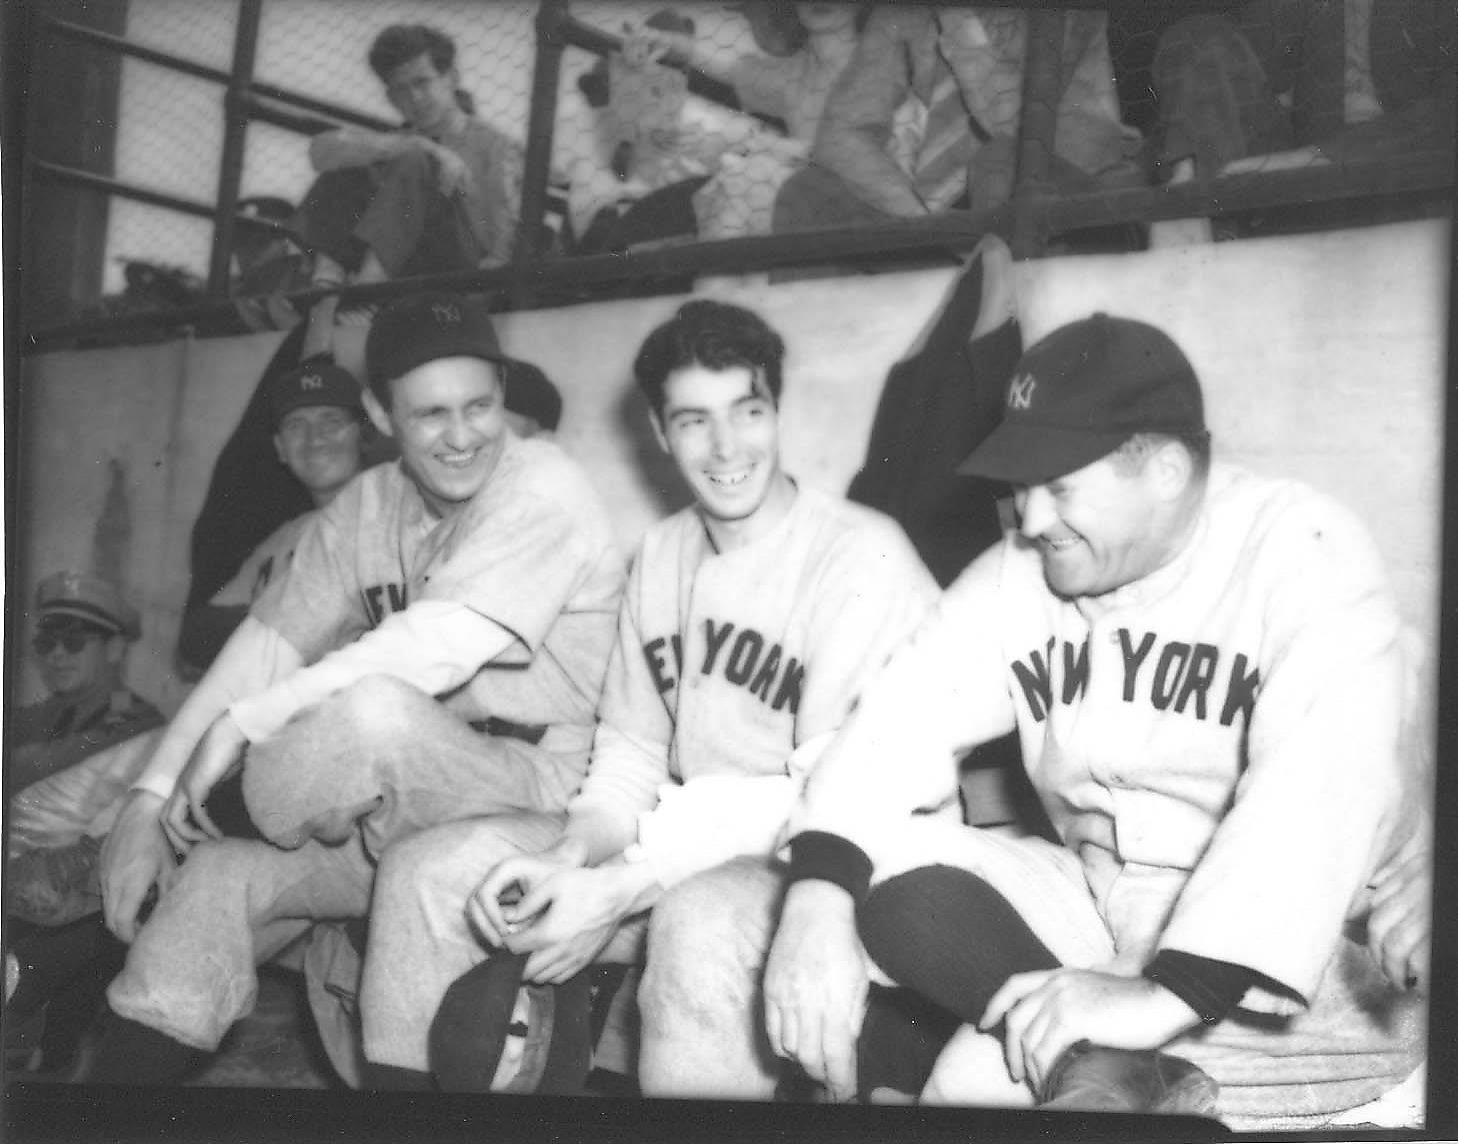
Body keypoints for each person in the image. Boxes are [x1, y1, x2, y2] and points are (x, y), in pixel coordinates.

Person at [642, 313, 1431, 1129]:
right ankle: (1100, 1065)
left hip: (1319, 958)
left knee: (977, 1083)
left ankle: (1103, 1063)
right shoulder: (1035, 568)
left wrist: (1159, 995)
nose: (1028, 517)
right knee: (864, 863)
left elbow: (1315, 789)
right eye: (1019, 486)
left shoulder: (1300, 548)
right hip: (1105, 908)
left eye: (1058, 487)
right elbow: (896, 721)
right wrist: (815, 901)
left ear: (1164, 469)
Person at [356, 299, 939, 1092]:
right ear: (662, 435)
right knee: (431, 871)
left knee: (694, 919)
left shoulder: (860, 556)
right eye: (695, 421)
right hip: (691, 846)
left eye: (748, 411)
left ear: (777, 413)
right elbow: (629, 757)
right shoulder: (662, 555)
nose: (727, 447)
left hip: (851, 869)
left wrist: (620, 886)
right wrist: (567, 855)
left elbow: (828, 798)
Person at [81, 291, 623, 1085]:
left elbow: (435, 648)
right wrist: (149, 798)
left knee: (373, 711)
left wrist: (237, 732)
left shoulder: (545, 486)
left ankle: (213, 816)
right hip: (389, 797)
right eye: (432, 414)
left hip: (534, 795)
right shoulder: (367, 504)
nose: (464, 434)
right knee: (217, 881)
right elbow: (261, 650)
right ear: (379, 411)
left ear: (503, 395)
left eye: (480, 405)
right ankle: (112, 1107)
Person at [773, 6, 1144, 233]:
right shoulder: (904, 14)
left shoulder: (1072, 13)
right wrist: (917, 219)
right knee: (806, 192)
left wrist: (959, 21)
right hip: (948, 218)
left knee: (997, 162)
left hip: (1069, 198)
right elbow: (841, 134)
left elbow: (1014, 125)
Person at [295, 24, 525, 298]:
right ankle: (325, 283)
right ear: (390, 98)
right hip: (408, 264)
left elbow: (503, 242)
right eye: (401, 90)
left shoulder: (495, 145)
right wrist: (416, 144)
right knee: (355, 156)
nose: (414, 98)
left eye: (422, 82)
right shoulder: (405, 144)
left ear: (451, 77)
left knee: (414, 161)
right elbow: (320, 151)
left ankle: (366, 295)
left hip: (463, 267)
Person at [176, 359, 367, 678]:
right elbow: (197, 638)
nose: (314, 439)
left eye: (331, 421)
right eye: (296, 426)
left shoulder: (398, 517)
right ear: (280, 448)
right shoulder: (281, 539)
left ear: (362, 433)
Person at [8, 573, 164, 925]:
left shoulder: (134, 723)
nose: (57, 655)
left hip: (72, 908)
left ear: (114, 648)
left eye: (74, 641)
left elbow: (38, 764)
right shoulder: (48, 713)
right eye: (47, 643)